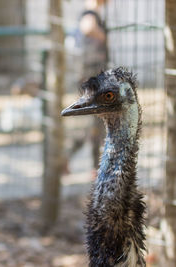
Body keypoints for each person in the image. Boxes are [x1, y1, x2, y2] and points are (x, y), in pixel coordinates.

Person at [79, 0, 108, 170]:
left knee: (94, 122)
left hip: (93, 75)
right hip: (92, 76)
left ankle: (93, 166)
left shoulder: (93, 12)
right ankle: (95, 167)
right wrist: (104, 36)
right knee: (95, 122)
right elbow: (88, 27)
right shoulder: (91, 12)